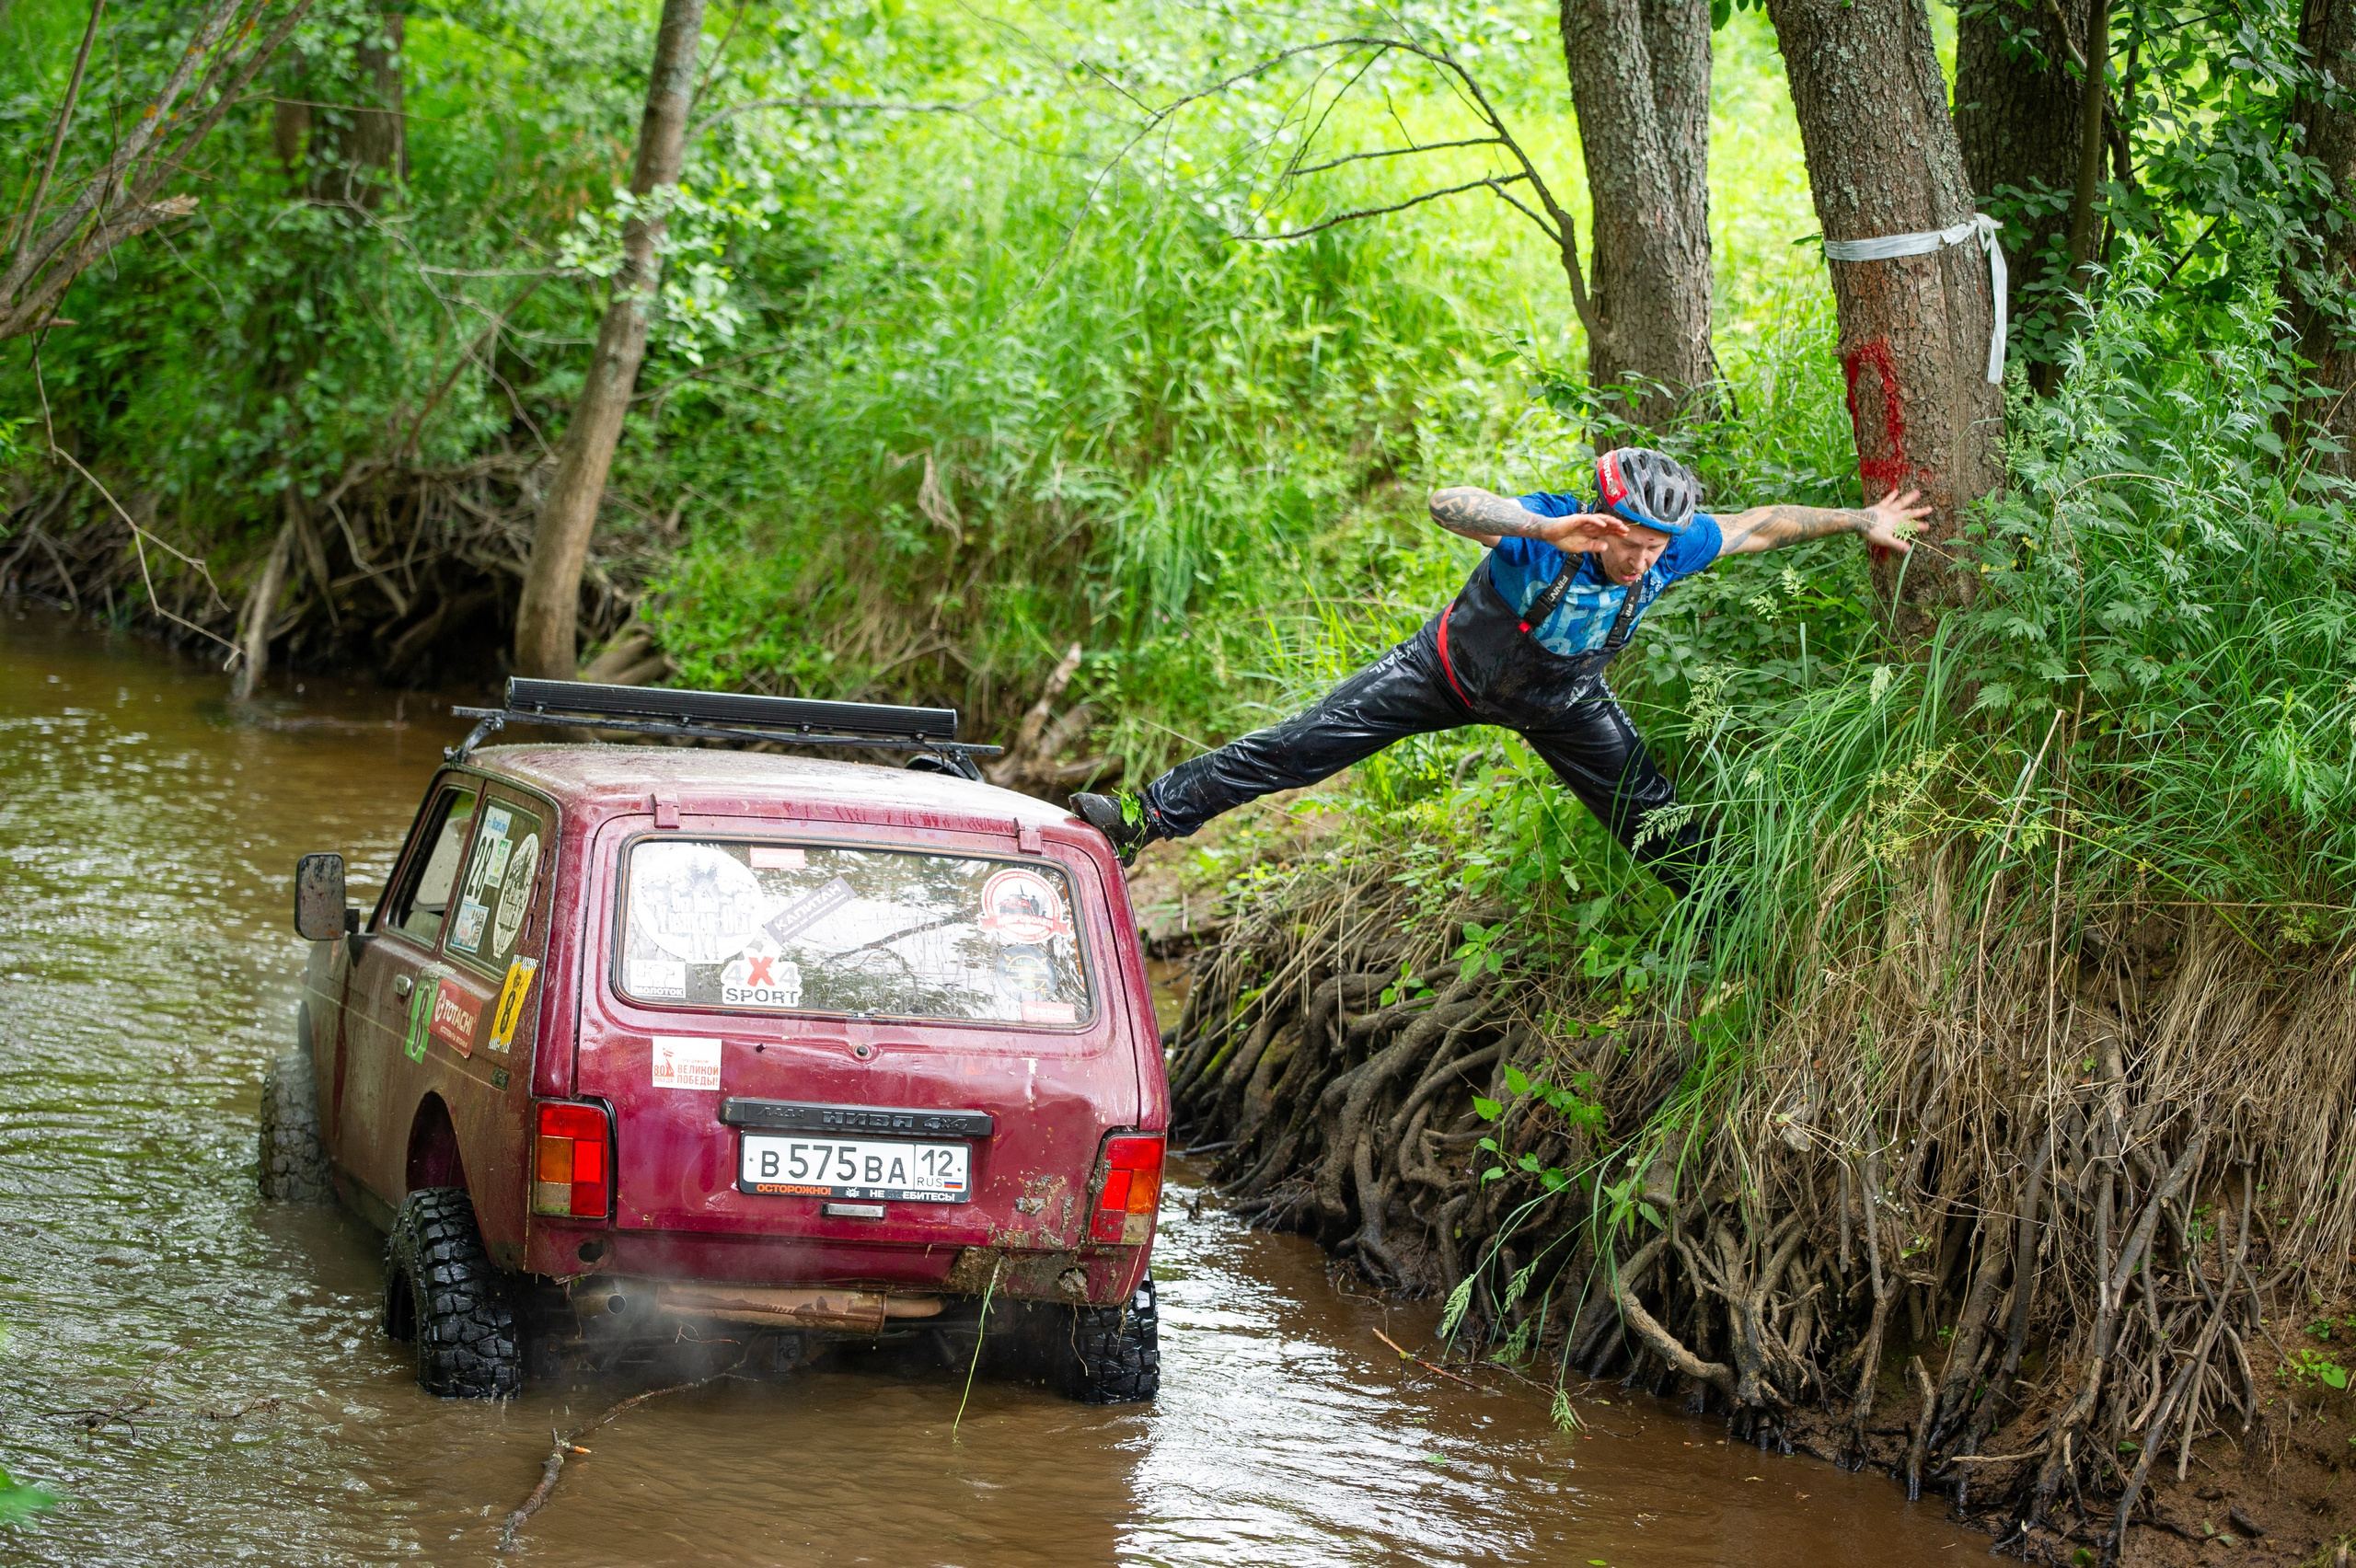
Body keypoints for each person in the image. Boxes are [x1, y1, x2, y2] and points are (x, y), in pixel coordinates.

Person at [1074, 447, 1928, 894]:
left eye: (1659, 547)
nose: (1644, 562)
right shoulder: (1545, 529)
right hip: (1442, 673)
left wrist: (1864, 518)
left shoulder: (1674, 550)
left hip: (1564, 701)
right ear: (1604, 520)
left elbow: (1763, 524)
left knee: (1657, 820)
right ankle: (1141, 820)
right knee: (1298, 745)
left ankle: (1739, 932)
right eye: (1633, 544)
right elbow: (1450, 505)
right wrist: (1548, 531)